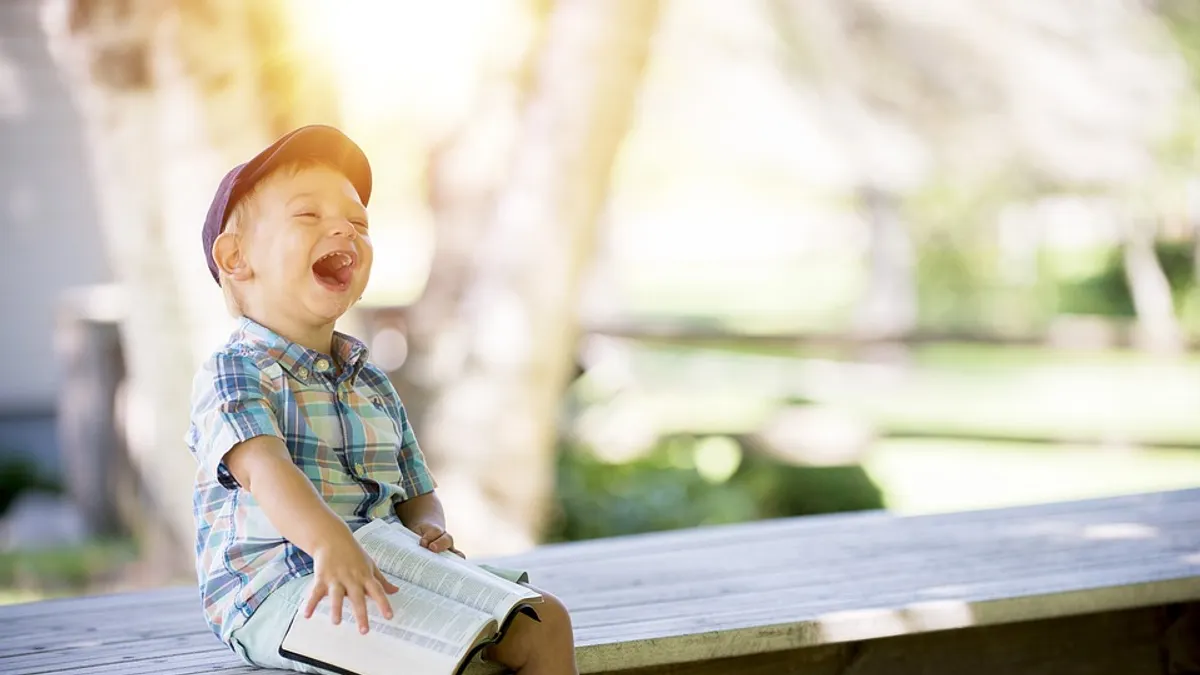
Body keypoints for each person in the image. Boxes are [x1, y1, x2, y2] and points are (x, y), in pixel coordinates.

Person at [185, 124, 577, 674]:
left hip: (388, 564)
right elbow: (265, 469)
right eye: (309, 215)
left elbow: (416, 490)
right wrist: (329, 542)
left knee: (544, 620)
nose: (343, 230)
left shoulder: (371, 381)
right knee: (437, 655)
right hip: (282, 588)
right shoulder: (236, 371)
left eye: (358, 222)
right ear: (235, 258)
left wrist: (426, 525)